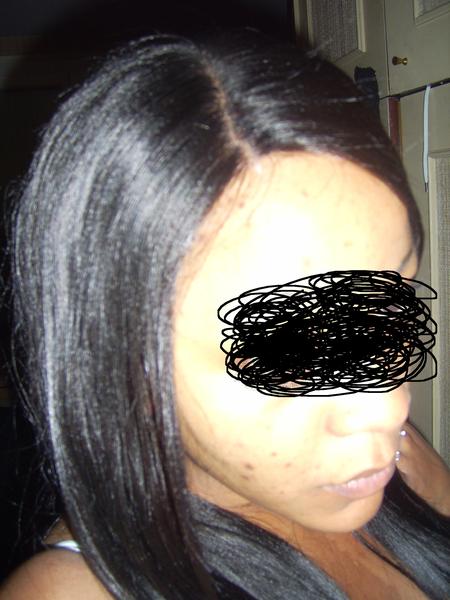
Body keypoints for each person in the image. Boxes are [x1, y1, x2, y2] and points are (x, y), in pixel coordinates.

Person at [1, 30, 449, 600]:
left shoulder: (405, 464)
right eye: (286, 347)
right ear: (125, 362)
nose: (389, 405)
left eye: (383, 304)